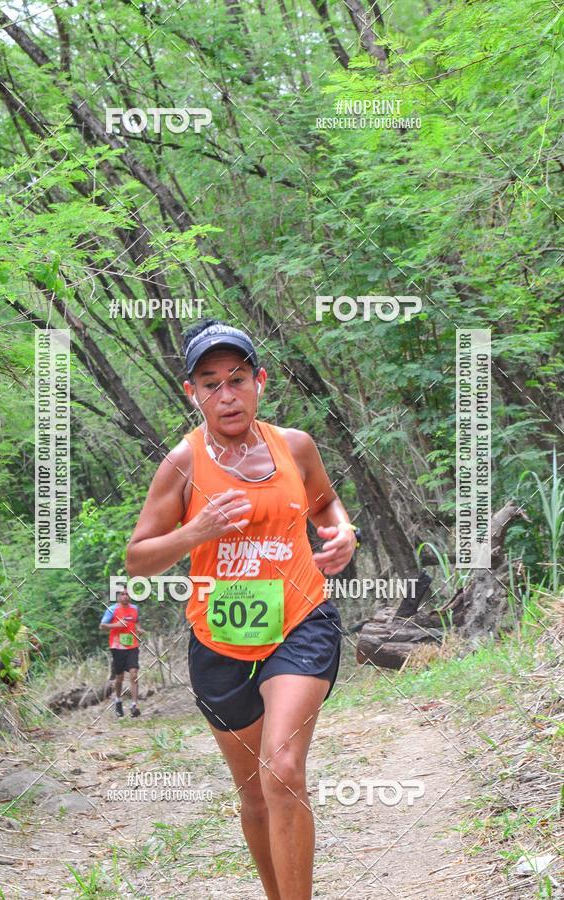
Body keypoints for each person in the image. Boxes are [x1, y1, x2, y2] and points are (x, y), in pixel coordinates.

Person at [126, 319, 358, 900]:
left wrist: (343, 530)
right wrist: (194, 531)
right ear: (192, 393)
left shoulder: (295, 447)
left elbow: (327, 508)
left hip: (300, 621)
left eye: (236, 380)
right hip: (218, 638)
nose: (225, 395)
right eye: (210, 383)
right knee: (254, 791)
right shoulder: (180, 465)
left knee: (282, 769)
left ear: (259, 381)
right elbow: (137, 559)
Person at [100, 587, 145, 717]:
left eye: (127, 594)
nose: (125, 596)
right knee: (119, 677)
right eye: (122, 594)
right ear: (118, 596)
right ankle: (118, 701)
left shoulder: (135, 609)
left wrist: (140, 630)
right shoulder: (112, 609)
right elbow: (102, 626)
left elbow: (136, 623)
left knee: (134, 674)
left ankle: (134, 705)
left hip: (132, 646)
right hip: (117, 647)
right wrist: (117, 625)